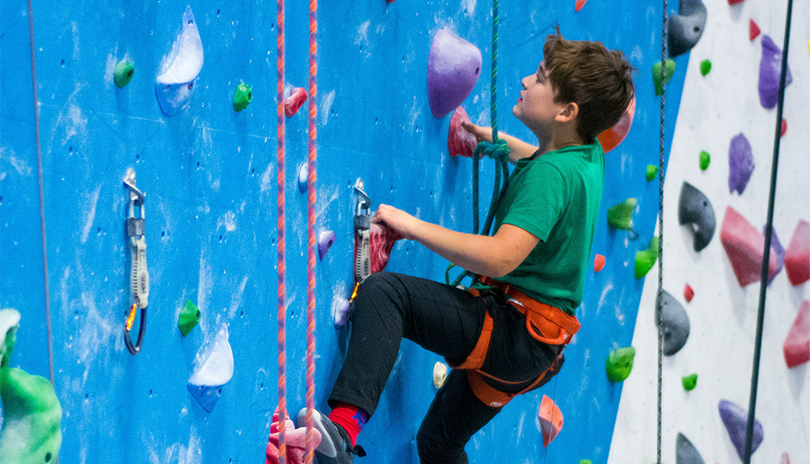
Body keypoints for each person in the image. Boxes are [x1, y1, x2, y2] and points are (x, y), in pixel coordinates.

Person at [307, 31, 635, 464]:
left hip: (512, 332)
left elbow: (501, 256)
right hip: (539, 346)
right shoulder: (587, 151)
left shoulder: (550, 178)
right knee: (439, 444)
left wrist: (413, 226)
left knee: (388, 296)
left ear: (567, 111)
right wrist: (491, 142)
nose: (524, 81)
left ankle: (341, 434)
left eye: (539, 79)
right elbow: (547, 164)